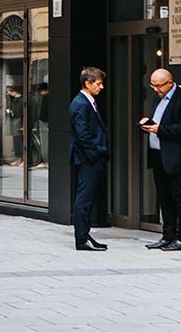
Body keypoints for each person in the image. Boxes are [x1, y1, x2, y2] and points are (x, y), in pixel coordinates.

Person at [140, 68, 181, 251]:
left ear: (170, 83)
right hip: (158, 155)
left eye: (158, 86)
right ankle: (167, 235)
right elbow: (160, 121)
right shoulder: (159, 97)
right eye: (153, 85)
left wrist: (160, 130)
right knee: (164, 198)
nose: (155, 89)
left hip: (176, 157)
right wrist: (148, 124)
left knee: (180, 198)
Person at [69, 66, 109, 251]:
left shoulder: (86, 102)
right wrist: (94, 157)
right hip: (87, 159)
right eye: (99, 84)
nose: (101, 87)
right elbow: (82, 135)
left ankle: (85, 235)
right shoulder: (80, 104)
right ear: (88, 83)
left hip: (89, 158)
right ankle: (82, 238)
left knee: (87, 198)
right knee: (84, 199)